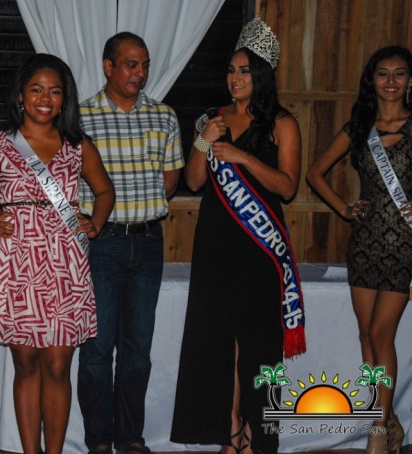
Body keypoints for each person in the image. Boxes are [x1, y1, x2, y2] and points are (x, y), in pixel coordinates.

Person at [0, 53, 114, 454]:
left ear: (64, 99)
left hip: (64, 261)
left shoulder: (77, 146)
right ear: (21, 96)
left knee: (58, 365)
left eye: (55, 91)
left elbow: (105, 191)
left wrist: (96, 221)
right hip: (18, 260)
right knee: (25, 364)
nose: (45, 98)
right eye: (37, 89)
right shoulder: (0, 146)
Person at [170, 17, 305, 454]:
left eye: (245, 70)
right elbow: (193, 181)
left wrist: (243, 158)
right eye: (231, 70)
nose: (235, 78)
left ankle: (258, 433)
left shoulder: (282, 124)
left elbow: (287, 186)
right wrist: (204, 143)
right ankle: (227, 428)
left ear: (262, 74)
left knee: (260, 346)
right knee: (217, 343)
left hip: (260, 248)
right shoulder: (212, 118)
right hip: (216, 242)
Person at [77, 32, 184, 454]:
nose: (139, 73)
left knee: (138, 351)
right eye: (130, 64)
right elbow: (66, 179)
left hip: (148, 241)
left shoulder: (164, 116)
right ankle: (99, 439)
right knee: (98, 349)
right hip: (101, 244)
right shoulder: (80, 117)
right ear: (108, 66)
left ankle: (132, 437)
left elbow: (171, 180)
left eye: (144, 65)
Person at [306, 45, 412, 454]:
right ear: (372, 80)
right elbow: (316, 172)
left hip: (404, 244)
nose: (390, 81)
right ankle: (390, 419)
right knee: (367, 334)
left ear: (409, 81)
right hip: (366, 243)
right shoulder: (359, 126)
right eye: (383, 74)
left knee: (383, 334)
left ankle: (378, 431)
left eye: (399, 74)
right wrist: (344, 209)